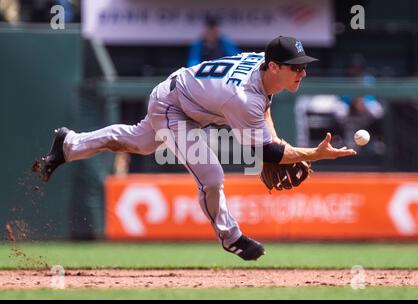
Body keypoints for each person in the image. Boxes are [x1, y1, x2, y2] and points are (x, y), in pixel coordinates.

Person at [38, 36, 356, 261]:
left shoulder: (263, 71)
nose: (302, 72)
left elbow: (266, 114)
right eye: (295, 66)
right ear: (273, 66)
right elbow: (268, 153)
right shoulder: (242, 98)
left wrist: (280, 142)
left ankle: (68, 143)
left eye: (303, 65)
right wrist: (315, 154)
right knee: (211, 174)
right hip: (174, 106)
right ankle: (231, 237)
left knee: (137, 142)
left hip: (185, 95)